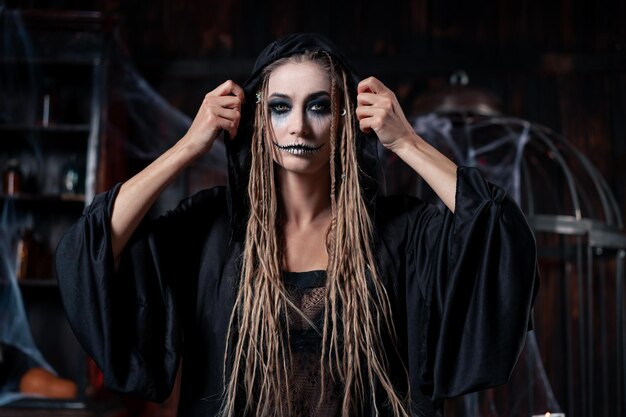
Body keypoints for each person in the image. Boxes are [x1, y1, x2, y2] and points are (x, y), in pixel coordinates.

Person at [55, 33, 538, 417]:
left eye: (319, 106)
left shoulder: (402, 233)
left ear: (346, 118)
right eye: (280, 107)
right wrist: (188, 147)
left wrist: (406, 142)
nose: (299, 128)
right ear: (260, 120)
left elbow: (500, 235)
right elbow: (89, 248)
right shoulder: (211, 227)